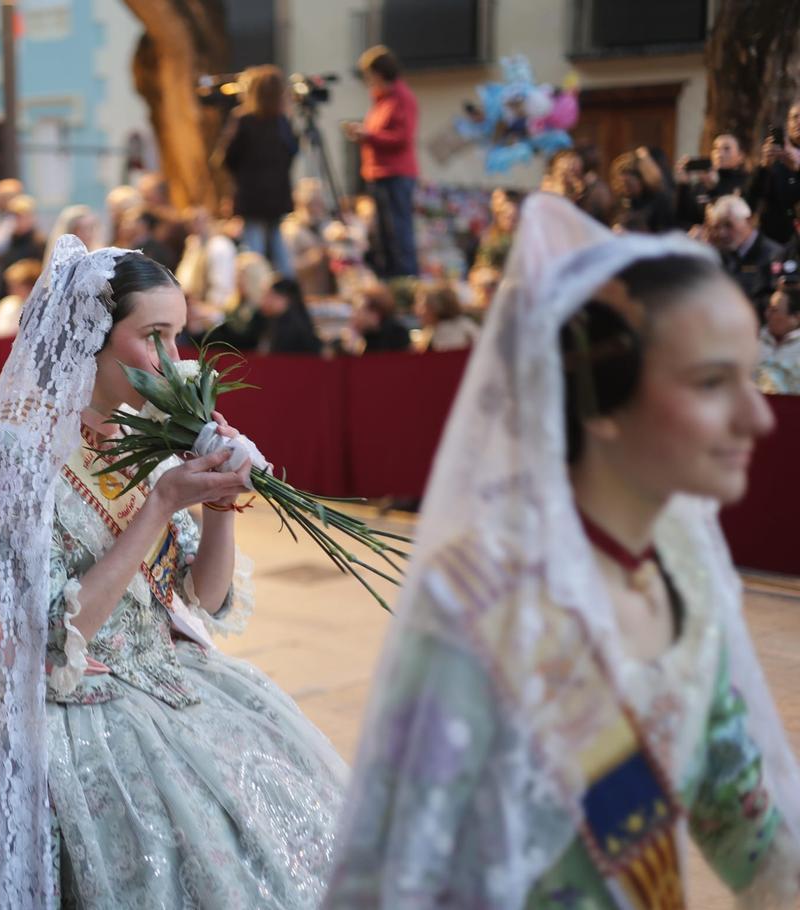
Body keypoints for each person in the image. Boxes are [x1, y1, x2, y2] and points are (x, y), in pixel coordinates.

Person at [322, 193, 800, 907]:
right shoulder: (480, 607)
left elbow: (742, 817)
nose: (758, 415)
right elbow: (394, 876)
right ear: (603, 400)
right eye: (710, 382)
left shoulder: (684, 577)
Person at [0, 238, 345, 907]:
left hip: (170, 678)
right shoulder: (13, 455)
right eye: (153, 337)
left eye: (179, 337)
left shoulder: (148, 435)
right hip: (66, 701)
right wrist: (164, 501)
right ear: (90, 336)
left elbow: (203, 597)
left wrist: (222, 500)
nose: (175, 362)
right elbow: (55, 631)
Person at [343, 45, 420, 278]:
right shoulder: (381, 101)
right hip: (378, 173)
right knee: (383, 234)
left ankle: (405, 279)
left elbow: (402, 137)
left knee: (398, 231)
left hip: (396, 173)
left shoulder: (401, 99)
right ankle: (388, 278)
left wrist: (368, 136)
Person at [215, 65, 298, 276]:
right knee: (278, 242)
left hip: (251, 194)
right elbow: (292, 152)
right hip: (277, 193)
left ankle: (256, 289)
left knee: (254, 246)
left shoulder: (244, 120)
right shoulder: (282, 122)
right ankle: (287, 286)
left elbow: (227, 157)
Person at [705, 194, 782, 319]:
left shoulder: (774, 256)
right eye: (717, 227)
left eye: (728, 225)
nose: (722, 233)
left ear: (749, 221)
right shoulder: (721, 255)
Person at [746, 102, 800, 245]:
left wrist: (797, 168)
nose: (798, 121)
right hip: (776, 242)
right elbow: (750, 202)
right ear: (787, 124)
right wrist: (764, 167)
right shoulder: (776, 161)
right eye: (794, 117)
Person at [675, 133, 750, 228]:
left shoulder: (747, 183)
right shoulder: (701, 185)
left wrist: (714, 187)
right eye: (715, 149)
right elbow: (683, 219)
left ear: (741, 156)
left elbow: (732, 219)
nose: (719, 154)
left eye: (726, 149)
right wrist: (684, 185)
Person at [610, 148, 675, 234]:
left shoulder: (659, 201)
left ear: (641, 180)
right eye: (622, 184)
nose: (625, 189)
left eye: (629, 184)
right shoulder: (625, 201)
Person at [258, 277, 324, 355]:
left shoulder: (292, 327)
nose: (266, 300)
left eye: (272, 296)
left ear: (285, 299)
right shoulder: (277, 321)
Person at [0, 258, 42, 340]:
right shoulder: (7, 303)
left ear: (31, 285)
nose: (11, 289)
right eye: (10, 285)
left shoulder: (40, 307)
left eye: (16, 285)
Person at [412, 280, 479, 352]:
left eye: (422, 306)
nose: (416, 310)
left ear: (436, 308)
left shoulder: (450, 332)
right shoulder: (432, 330)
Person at [757, 283, 800, 394]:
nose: (767, 314)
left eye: (774, 310)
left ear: (796, 317)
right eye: (768, 309)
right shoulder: (753, 342)